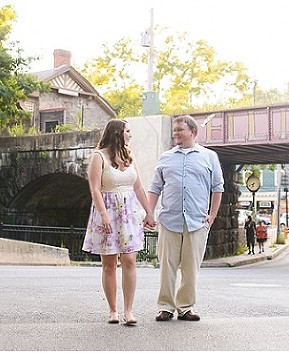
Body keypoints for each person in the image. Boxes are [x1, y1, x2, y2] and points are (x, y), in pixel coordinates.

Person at [148, 115, 224, 322]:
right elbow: (155, 188)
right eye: (174, 130)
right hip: (169, 220)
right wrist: (149, 212)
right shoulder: (166, 157)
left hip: (197, 222)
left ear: (193, 132)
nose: (175, 133)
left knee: (191, 269)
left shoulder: (209, 157)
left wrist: (213, 216)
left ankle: (185, 307)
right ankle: (165, 306)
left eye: (180, 129)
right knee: (167, 267)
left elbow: (218, 188)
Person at [82, 119, 155, 326]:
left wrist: (148, 212)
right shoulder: (99, 157)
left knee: (130, 260)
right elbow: (95, 189)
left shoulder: (129, 156)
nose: (130, 135)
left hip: (129, 213)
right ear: (117, 133)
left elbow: (139, 187)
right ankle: (113, 310)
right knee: (109, 264)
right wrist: (104, 215)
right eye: (128, 131)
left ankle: (128, 311)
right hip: (107, 212)